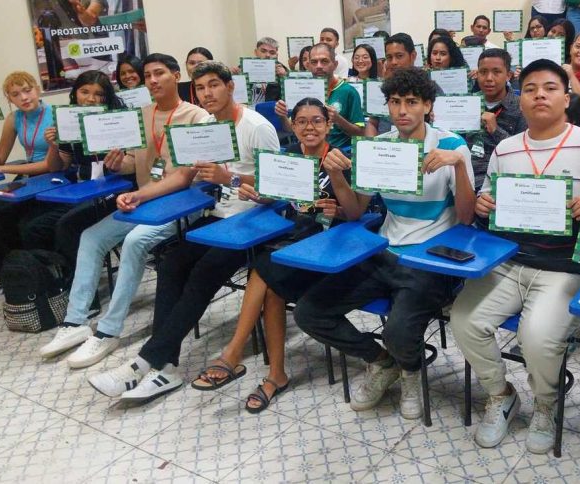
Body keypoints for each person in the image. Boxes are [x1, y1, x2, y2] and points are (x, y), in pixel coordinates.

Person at [449, 59, 580, 453]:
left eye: (549, 87)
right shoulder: (506, 149)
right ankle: (501, 394)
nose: (539, 94)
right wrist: (483, 205)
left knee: (536, 336)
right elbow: (487, 206)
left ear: (566, 97)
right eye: (530, 88)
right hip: (510, 260)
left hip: (566, 267)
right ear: (521, 98)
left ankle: (546, 404)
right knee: (463, 319)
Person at [88, 61, 281, 402]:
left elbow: (279, 184)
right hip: (217, 217)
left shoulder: (256, 126)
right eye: (202, 88)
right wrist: (139, 193)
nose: (207, 94)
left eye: (214, 86)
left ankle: (146, 361)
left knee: (204, 271)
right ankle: (167, 366)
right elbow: (181, 176)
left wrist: (231, 179)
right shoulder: (206, 125)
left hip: (252, 221)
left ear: (230, 87)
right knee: (172, 261)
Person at [294, 67, 475, 420]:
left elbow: (467, 218)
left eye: (411, 102)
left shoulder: (452, 146)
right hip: (382, 251)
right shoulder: (378, 147)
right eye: (394, 102)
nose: (402, 111)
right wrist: (336, 177)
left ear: (428, 105)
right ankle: (382, 362)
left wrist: (459, 168)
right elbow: (355, 211)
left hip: (427, 260)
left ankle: (410, 370)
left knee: (397, 330)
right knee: (309, 312)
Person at [38, 53, 210, 369]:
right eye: (148, 76)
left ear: (175, 75)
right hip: (144, 200)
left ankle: (108, 331)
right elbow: (135, 162)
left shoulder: (197, 117)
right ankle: (75, 323)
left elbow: (184, 177)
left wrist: (139, 195)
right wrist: (120, 162)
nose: (153, 81)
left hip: (183, 204)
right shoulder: (140, 115)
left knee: (134, 243)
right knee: (90, 237)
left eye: (160, 73)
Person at [184, 98, 349, 410]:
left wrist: (336, 208)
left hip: (326, 247)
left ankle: (234, 353)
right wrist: (254, 195)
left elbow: (353, 213)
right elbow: (273, 195)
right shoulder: (286, 159)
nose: (309, 127)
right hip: (292, 240)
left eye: (317, 121)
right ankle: (276, 375)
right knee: (270, 286)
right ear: (292, 125)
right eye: (301, 121)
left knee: (262, 269)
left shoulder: (339, 159)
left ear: (329, 125)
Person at [0, 71, 127, 278]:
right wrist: (53, 145)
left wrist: (120, 161)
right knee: (22, 223)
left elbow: (132, 164)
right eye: (84, 92)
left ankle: (73, 282)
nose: (90, 99)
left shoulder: (118, 119)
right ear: (75, 93)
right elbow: (59, 166)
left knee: (59, 226)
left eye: (98, 94)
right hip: (79, 189)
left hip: (111, 191)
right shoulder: (68, 120)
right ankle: (43, 278)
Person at [0, 71, 54, 296]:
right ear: (9, 99)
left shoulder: (55, 115)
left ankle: (29, 272)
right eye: (16, 94)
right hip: (26, 178)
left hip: (52, 178)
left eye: (27, 90)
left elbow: (49, 166)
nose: (24, 97)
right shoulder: (14, 119)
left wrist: (2, 169)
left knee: (10, 220)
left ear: (37, 88)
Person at [275, 43, 364, 149]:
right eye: (314, 62)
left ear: (335, 64)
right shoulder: (302, 89)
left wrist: (338, 119)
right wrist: (282, 116)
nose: (319, 66)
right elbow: (290, 128)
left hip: (336, 153)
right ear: (308, 66)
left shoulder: (348, 91)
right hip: (307, 150)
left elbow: (360, 134)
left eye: (324, 61)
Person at [468, 48, 527, 191]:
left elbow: (524, 155)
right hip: (465, 177)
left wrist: (496, 130)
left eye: (496, 72)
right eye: (483, 72)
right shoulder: (466, 103)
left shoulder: (522, 108)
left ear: (508, 75)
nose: (489, 78)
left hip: (501, 182)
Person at [364, 33, 419, 136]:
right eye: (389, 57)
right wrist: (372, 146)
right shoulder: (381, 87)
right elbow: (372, 123)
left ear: (413, 56)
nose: (393, 62)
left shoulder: (426, 86)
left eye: (399, 56)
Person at [249, 37, 291, 104]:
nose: (267, 55)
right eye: (263, 51)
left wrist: (284, 77)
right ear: (256, 52)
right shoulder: (244, 67)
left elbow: (292, 95)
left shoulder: (283, 71)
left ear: (276, 55)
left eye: (272, 52)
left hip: (271, 110)